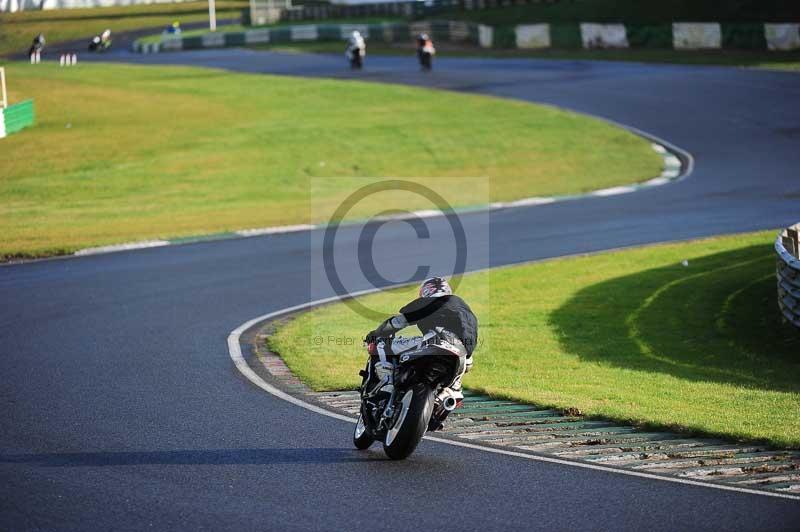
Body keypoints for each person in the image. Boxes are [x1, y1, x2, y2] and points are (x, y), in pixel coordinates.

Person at [365, 276, 478, 392]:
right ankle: (453, 387)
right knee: (468, 362)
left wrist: (375, 333)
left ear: (426, 291)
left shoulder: (428, 302)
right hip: (462, 351)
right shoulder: (464, 308)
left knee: (382, 344)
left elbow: (396, 323)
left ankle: (387, 384)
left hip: (436, 341)